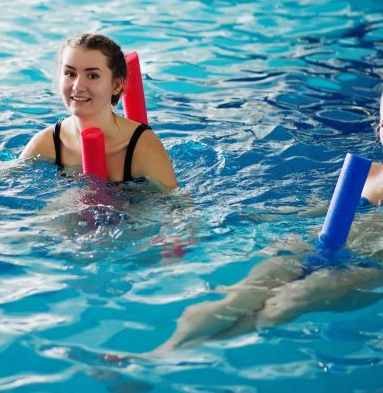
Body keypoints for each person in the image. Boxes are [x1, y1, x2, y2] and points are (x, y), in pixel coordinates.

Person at [147, 98, 383, 354]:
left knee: (287, 302)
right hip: (317, 242)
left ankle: (179, 354)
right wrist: (278, 215)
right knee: (242, 295)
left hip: (367, 263)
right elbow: (331, 207)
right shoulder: (368, 174)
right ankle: (163, 350)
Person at [20, 33, 178, 190]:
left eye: (92, 75)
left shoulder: (142, 146)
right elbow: (3, 183)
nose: (78, 86)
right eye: (70, 74)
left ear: (116, 85)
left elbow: (178, 207)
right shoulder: (48, 142)